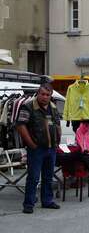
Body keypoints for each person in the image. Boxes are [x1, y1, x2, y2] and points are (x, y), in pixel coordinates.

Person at [16, 83, 62, 214]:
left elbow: (57, 124)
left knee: (48, 177)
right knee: (33, 177)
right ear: (38, 93)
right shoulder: (28, 106)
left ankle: (47, 201)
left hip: (51, 148)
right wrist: (31, 144)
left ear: (51, 96)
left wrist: (58, 140)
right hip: (36, 149)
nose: (45, 97)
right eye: (42, 94)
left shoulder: (53, 107)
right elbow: (20, 126)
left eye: (48, 95)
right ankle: (28, 204)